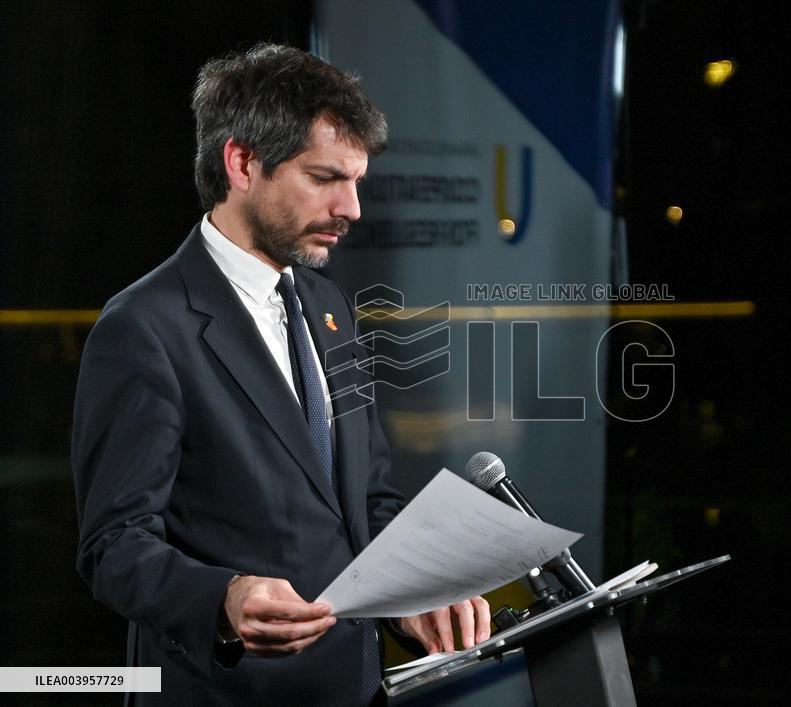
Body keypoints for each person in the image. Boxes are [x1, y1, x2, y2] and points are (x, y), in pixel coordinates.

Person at [72, 43, 490, 706]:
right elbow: (113, 545)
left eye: (356, 181)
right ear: (242, 163)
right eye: (326, 178)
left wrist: (419, 584)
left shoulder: (328, 305)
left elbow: (368, 499)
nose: (351, 207)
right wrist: (225, 596)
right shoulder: (142, 328)